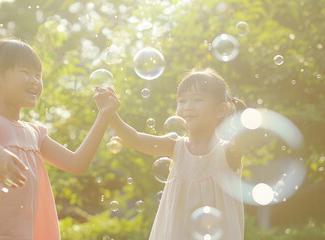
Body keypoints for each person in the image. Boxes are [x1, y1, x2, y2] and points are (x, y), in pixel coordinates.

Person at [0, 38, 119, 240]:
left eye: (38, 75)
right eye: (26, 72)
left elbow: (77, 163)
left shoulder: (35, 133)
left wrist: (103, 116)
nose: (35, 80)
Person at [94, 68, 247, 240]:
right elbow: (134, 139)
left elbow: (246, 137)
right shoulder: (175, 146)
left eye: (197, 100)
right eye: (181, 101)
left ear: (220, 110)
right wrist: (110, 114)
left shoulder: (227, 152)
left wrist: (243, 116)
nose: (187, 106)